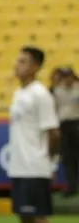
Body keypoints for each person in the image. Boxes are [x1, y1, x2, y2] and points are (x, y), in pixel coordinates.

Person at [9, 46, 64, 223]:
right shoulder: (18, 93)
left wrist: (45, 159)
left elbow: (53, 132)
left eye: (23, 61)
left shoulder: (40, 95)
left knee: (40, 220)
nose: (17, 65)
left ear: (34, 67)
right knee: (26, 221)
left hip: (35, 167)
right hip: (19, 167)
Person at [51, 66, 79, 196]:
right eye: (64, 77)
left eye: (69, 76)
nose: (67, 80)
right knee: (67, 157)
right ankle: (72, 186)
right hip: (64, 125)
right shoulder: (57, 91)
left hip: (77, 123)